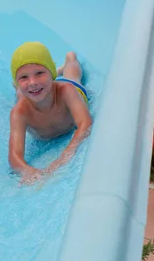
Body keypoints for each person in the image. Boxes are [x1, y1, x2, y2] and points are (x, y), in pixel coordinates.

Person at [7, 41, 93, 185]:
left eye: (39, 73)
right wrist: (27, 170)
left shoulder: (66, 91)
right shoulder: (19, 113)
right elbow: (14, 156)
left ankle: (69, 60)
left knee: (72, 76)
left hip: (68, 89)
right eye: (23, 77)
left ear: (50, 73)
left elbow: (85, 123)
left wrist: (65, 155)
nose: (33, 81)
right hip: (33, 93)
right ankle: (20, 84)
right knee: (22, 95)